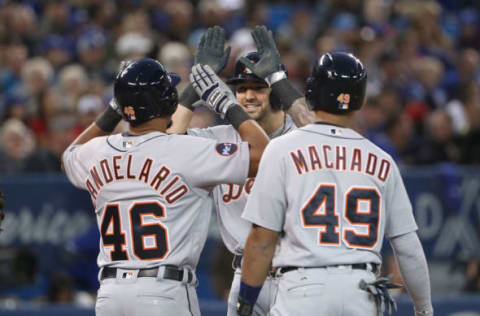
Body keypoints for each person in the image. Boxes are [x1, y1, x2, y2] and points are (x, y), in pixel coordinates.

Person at [61, 57, 269, 316]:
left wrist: (117, 106)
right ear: (167, 102)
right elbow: (264, 154)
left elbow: (69, 154)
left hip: (110, 295)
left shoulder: (97, 152)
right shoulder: (186, 150)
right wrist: (227, 104)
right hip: (163, 292)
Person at [237, 52, 434, 316]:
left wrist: (246, 302)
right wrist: (424, 310)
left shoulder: (281, 149)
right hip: (361, 291)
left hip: (302, 289)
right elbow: (408, 248)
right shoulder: (382, 159)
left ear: (311, 92)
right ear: (360, 99)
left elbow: (262, 239)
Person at [169, 25, 313, 315]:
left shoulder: (301, 135)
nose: (247, 96)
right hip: (243, 275)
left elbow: (329, 140)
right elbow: (168, 143)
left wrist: (281, 82)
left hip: (298, 274)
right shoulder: (220, 137)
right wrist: (194, 89)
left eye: (258, 88)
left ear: (275, 93)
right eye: (241, 89)